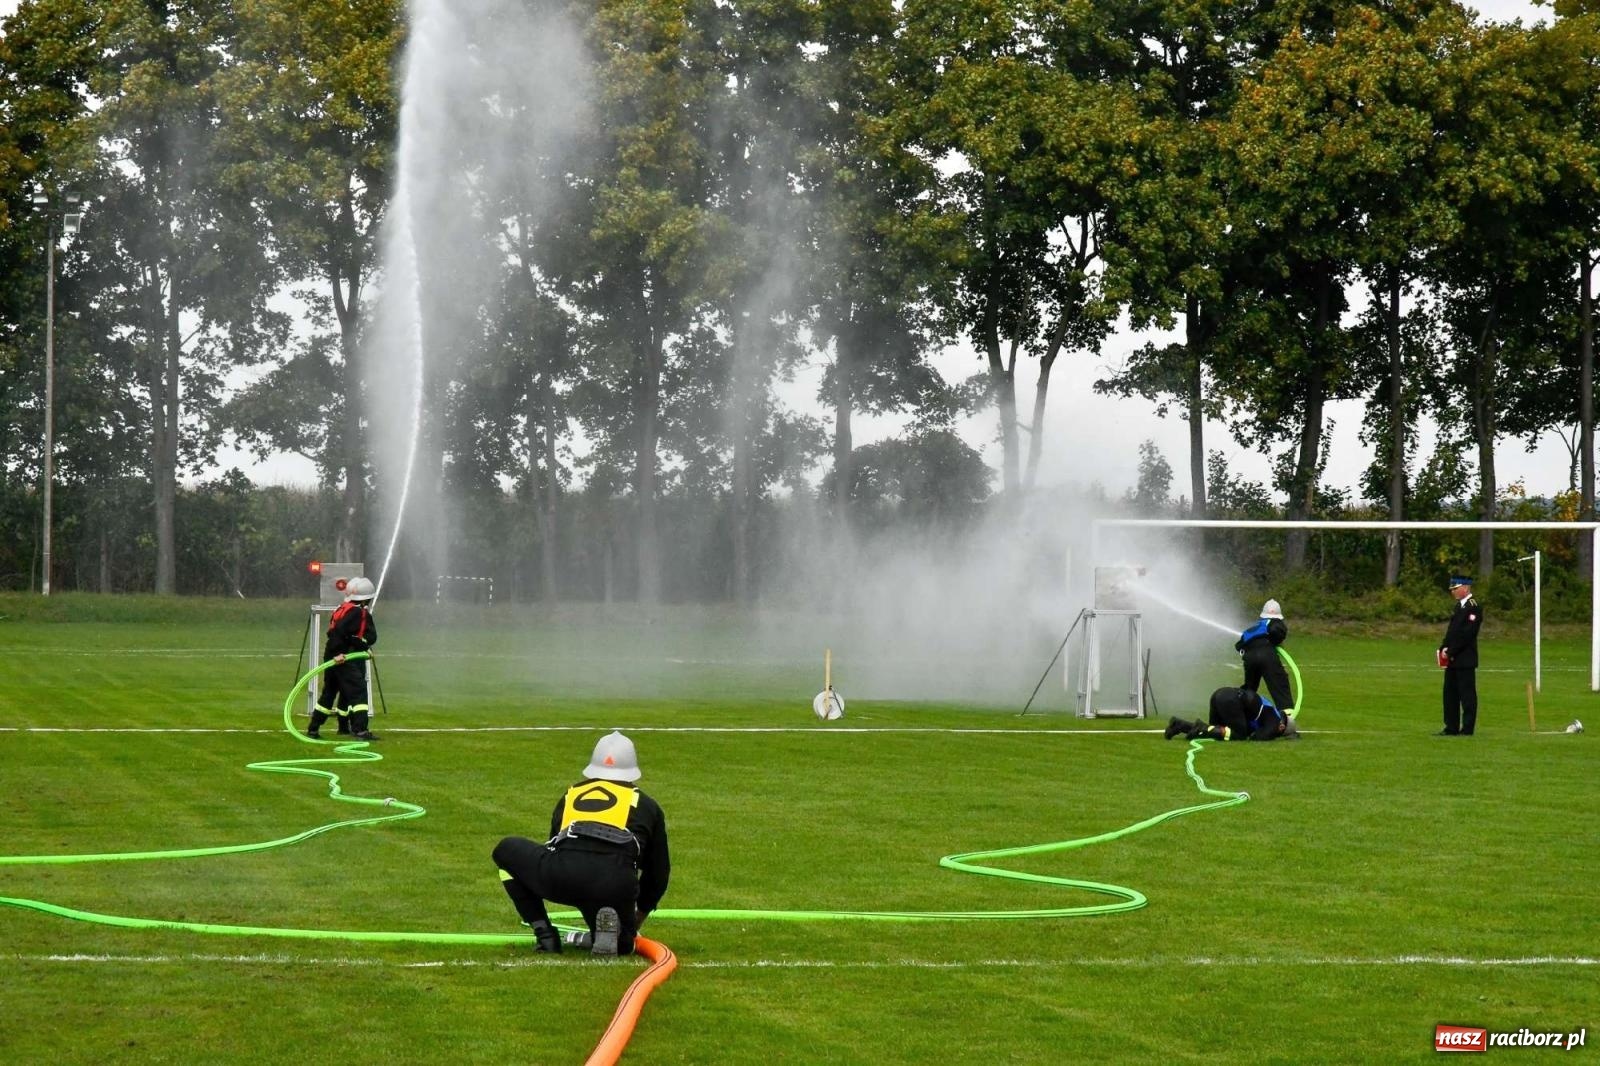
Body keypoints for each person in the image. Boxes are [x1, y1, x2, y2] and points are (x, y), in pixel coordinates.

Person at [492, 731, 670, 956]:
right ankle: (620, 939)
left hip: (563, 875)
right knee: (621, 938)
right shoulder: (647, 805)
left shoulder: (571, 795)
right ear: (631, 772)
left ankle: (545, 935)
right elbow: (657, 876)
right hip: (614, 883)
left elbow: (555, 845)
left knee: (506, 852)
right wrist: (634, 924)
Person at [307, 576, 379, 740]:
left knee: (329, 692)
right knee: (359, 692)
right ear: (366, 598)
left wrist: (362, 648)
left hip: (335, 656)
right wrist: (341, 653)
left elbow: (342, 634)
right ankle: (360, 730)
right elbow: (340, 633)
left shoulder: (342, 609)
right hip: (345, 658)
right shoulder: (357, 613)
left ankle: (313, 728)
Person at [1164, 686, 1298, 742]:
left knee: (1214, 731)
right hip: (1230, 700)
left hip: (1221, 694)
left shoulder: (1270, 711)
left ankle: (1179, 725)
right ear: (1282, 727)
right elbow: (1258, 737)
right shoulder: (1274, 720)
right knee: (1239, 735)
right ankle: (1199, 727)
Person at [1437, 575, 1483, 736]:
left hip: (1465, 659)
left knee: (1467, 695)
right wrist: (1444, 647)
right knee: (1450, 694)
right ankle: (1451, 726)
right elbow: (1452, 631)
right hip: (1452, 659)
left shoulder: (1473, 607)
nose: (1453, 592)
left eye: (1455, 589)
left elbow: (1467, 634)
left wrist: (1451, 650)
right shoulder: (1459, 607)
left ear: (1466, 587)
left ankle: (1467, 728)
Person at [1235, 599, 1294, 714]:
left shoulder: (1252, 629)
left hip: (1250, 658)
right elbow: (1277, 632)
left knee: (1250, 688)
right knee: (1279, 685)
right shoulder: (1275, 623)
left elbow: (1239, 646)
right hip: (1267, 655)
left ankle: (1241, 713)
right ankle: (1287, 720)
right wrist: (1274, 642)